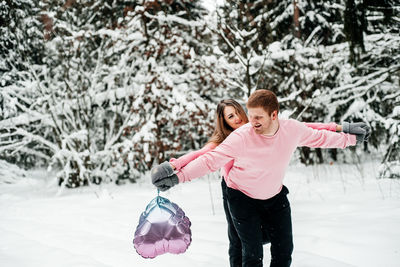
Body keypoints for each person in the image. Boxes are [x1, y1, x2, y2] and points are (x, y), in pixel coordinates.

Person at [151, 91, 369, 267]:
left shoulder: (290, 128)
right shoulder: (240, 137)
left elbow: (317, 135)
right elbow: (208, 159)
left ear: (274, 115)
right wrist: (177, 175)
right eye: (249, 115)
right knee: (251, 253)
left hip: (274, 196)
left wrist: (348, 136)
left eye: (257, 117)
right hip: (240, 197)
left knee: (284, 251)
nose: (249, 121)